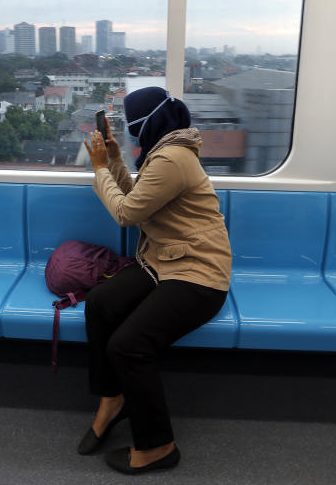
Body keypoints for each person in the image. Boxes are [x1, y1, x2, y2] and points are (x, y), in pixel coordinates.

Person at [79, 87, 231, 475]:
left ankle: (158, 445)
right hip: (163, 261)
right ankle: (112, 399)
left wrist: (98, 169)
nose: (130, 134)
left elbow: (127, 213)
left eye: (132, 127)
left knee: (128, 346)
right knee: (100, 303)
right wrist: (114, 159)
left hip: (199, 273)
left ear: (146, 124)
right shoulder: (166, 152)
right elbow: (140, 198)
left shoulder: (172, 158)